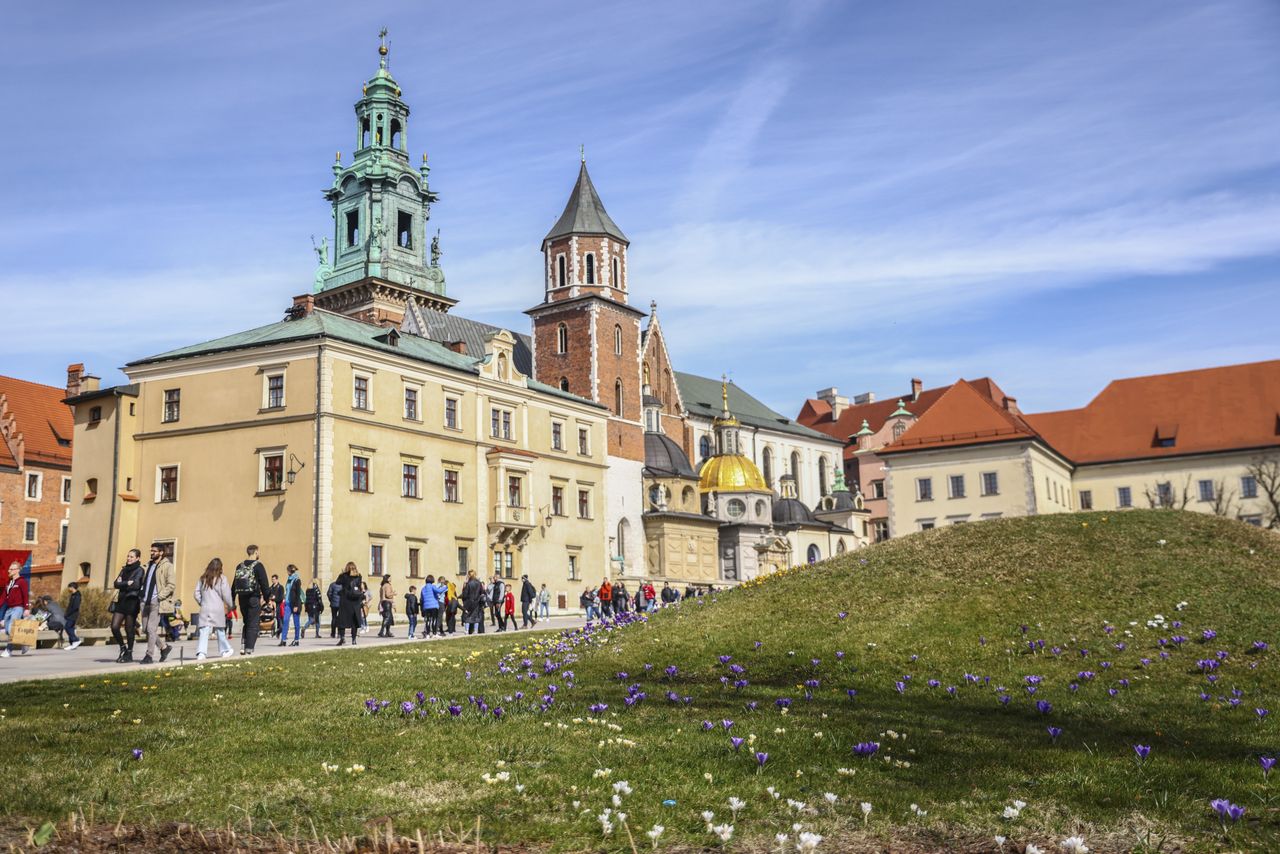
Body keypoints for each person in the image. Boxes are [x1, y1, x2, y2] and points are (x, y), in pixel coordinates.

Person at [139, 542, 175, 664]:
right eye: (151, 550)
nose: (152, 553)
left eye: (154, 551)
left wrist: (159, 596)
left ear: (161, 552)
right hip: (145, 600)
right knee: (145, 629)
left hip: (156, 601)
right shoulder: (148, 565)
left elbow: (171, 585)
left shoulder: (167, 566)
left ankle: (149, 656)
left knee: (151, 628)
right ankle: (164, 647)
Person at [232, 544, 270, 655]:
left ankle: (243, 645)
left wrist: (232, 599)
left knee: (246, 622)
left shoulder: (240, 566)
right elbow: (264, 584)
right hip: (253, 598)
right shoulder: (258, 566)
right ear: (256, 552)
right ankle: (249, 648)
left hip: (242, 598)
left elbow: (234, 585)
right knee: (253, 623)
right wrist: (267, 599)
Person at [193, 557, 235, 659]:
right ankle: (225, 650)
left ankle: (201, 653)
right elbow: (226, 594)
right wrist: (231, 605)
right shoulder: (222, 579)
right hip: (217, 607)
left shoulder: (203, 578)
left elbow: (196, 593)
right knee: (220, 630)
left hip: (205, 607)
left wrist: (201, 602)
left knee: (204, 630)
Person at [109, 550, 144, 662]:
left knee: (129, 629)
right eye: (128, 556)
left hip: (132, 602)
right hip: (121, 601)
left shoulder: (140, 570)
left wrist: (123, 584)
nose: (129, 558)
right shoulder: (124, 569)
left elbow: (136, 585)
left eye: (132, 557)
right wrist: (126, 583)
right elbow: (115, 584)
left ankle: (129, 653)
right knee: (114, 626)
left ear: (138, 558)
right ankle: (122, 647)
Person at [2, 562, 31, 658]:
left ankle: (8, 650)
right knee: (7, 630)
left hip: (18, 608)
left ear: (17, 570)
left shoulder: (22, 582)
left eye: (11, 569)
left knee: (11, 628)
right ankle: (24, 643)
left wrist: (26, 608)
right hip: (9, 608)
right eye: (9, 569)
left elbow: (25, 595)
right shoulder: (9, 583)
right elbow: (3, 597)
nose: (9, 571)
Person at [336, 562, 366, 646]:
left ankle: (342, 638)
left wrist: (342, 573)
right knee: (354, 621)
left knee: (342, 620)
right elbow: (360, 587)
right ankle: (354, 639)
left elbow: (337, 582)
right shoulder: (358, 576)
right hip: (355, 602)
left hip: (345, 601)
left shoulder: (343, 576)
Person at [278, 565, 303, 646]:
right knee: (285, 621)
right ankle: (283, 640)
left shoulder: (297, 580)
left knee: (296, 623)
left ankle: (296, 640)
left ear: (289, 571)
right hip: (288, 603)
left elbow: (298, 593)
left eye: (287, 570)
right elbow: (288, 591)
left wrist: (296, 605)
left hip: (295, 604)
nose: (287, 572)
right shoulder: (289, 580)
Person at [64, 580, 83, 650]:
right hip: (70, 614)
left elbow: (75, 607)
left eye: (69, 587)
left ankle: (76, 640)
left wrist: (68, 614)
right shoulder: (73, 595)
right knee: (71, 628)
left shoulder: (77, 596)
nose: (68, 589)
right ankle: (72, 644)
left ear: (72, 587)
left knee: (67, 627)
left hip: (73, 615)